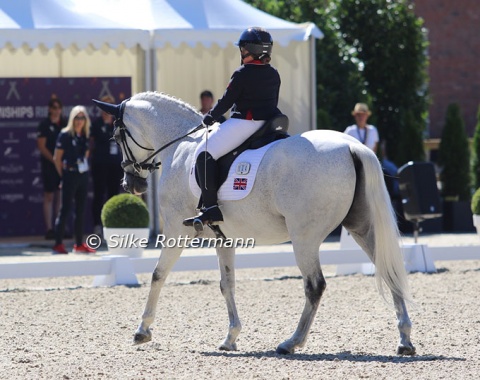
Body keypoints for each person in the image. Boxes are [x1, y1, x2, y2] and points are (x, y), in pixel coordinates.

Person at [183, 27, 282, 228]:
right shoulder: (274, 73)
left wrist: (210, 117)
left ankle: (211, 208)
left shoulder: (242, 73)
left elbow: (227, 101)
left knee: (203, 153)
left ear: (249, 49)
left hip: (245, 123)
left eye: (243, 49)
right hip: (269, 124)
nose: (241, 52)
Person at [52, 106, 96, 254]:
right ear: (72, 119)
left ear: (86, 120)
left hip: (82, 175)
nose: (79, 121)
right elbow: (57, 158)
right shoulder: (64, 135)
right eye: (77, 117)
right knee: (65, 210)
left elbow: (86, 154)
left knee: (81, 210)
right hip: (69, 174)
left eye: (82, 118)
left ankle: (78, 244)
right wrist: (62, 175)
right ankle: (58, 243)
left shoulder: (85, 135)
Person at [89, 95, 123, 236]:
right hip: (99, 165)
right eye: (104, 106)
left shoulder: (118, 123)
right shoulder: (96, 124)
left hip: (115, 165)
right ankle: (98, 225)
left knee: (114, 195)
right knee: (99, 195)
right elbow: (90, 143)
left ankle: (112, 226)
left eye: (109, 105)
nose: (106, 109)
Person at [36, 98, 67, 239]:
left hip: (63, 165)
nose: (56, 110)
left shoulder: (65, 124)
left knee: (61, 196)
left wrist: (61, 161)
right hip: (49, 165)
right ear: (49, 109)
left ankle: (59, 227)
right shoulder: (44, 125)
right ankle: (49, 229)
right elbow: (41, 146)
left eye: (58, 107)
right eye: (53, 107)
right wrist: (55, 160)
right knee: (49, 195)